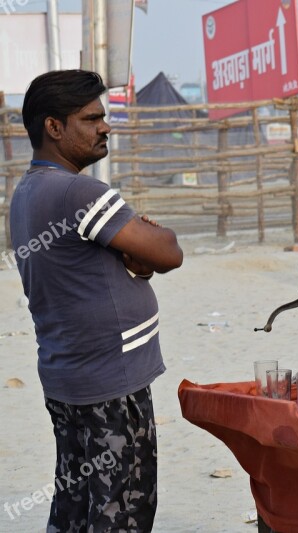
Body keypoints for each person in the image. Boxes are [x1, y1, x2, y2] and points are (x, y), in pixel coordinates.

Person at [11, 70, 183, 531]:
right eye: (92, 118)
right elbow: (169, 252)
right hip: (109, 383)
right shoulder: (79, 192)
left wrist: (137, 256)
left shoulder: (28, 190)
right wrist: (149, 242)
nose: (105, 127)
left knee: (76, 504)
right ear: (54, 127)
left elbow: (91, 268)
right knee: (122, 507)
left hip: (71, 375)